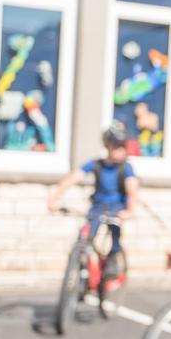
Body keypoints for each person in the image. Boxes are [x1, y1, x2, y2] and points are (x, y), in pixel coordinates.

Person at [46, 122, 141, 290]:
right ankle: (81, 268)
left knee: (114, 232)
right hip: (97, 206)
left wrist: (130, 210)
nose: (120, 151)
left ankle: (112, 261)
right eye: (116, 147)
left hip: (117, 208)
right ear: (108, 147)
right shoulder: (97, 164)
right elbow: (73, 178)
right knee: (86, 235)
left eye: (122, 147)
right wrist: (54, 197)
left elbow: (132, 189)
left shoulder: (126, 168)